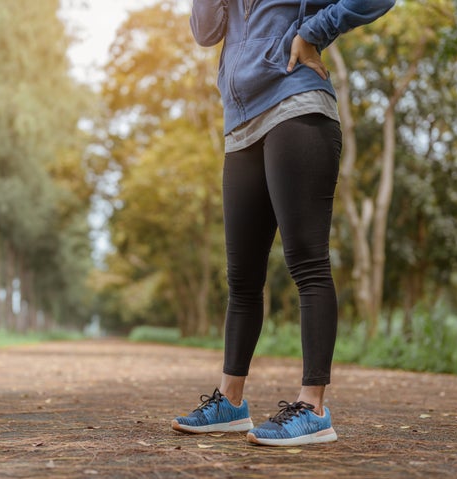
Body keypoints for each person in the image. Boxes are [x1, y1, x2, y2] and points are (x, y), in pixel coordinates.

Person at [170, 0, 395, 446]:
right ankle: (231, 404)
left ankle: (313, 407)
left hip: (296, 105)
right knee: (242, 278)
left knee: (307, 262)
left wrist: (313, 31)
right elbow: (205, 31)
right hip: (241, 125)